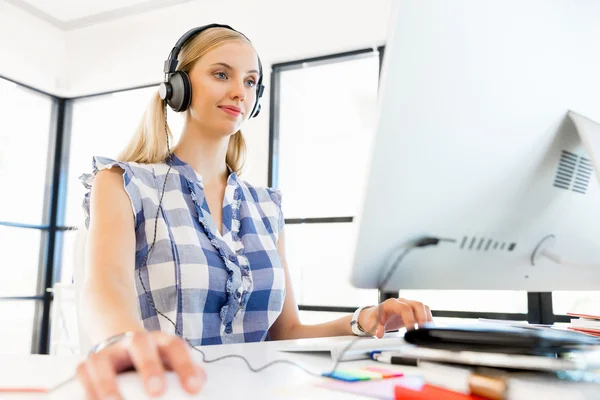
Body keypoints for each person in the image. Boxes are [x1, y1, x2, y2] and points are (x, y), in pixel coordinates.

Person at [76, 24, 433, 399]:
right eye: (220, 74)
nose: (238, 92)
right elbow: (106, 285)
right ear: (178, 87)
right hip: (167, 390)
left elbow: (287, 333)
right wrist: (123, 338)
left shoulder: (266, 206)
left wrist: (364, 321)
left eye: (250, 82)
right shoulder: (122, 183)